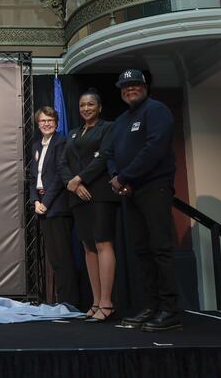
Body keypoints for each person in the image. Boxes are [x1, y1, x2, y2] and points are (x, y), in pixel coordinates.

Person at [106, 69, 181, 332]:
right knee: (141, 251)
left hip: (154, 188)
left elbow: (155, 148)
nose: (130, 89)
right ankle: (151, 306)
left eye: (135, 84)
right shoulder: (120, 121)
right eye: (125, 86)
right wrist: (117, 176)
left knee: (160, 248)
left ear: (145, 86)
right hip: (130, 191)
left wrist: (125, 176)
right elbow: (110, 153)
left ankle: (169, 311)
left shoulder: (156, 110)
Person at [58, 89, 119, 323]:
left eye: (91, 104)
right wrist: (72, 184)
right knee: (88, 247)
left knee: (103, 243)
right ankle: (95, 302)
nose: (86, 108)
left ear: (99, 107)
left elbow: (103, 157)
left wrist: (80, 178)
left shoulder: (108, 128)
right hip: (77, 196)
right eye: (82, 105)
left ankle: (107, 303)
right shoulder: (72, 134)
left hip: (100, 194)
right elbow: (63, 162)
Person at [30, 106, 79, 308]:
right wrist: (35, 201)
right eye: (43, 121)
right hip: (41, 205)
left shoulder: (62, 142)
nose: (46, 124)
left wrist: (46, 202)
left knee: (64, 257)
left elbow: (60, 177)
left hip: (57, 205)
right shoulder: (36, 145)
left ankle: (70, 303)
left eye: (50, 120)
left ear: (56, 122)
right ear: (37, 123)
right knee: (55, 258)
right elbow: (34, 177)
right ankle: (61, 301)